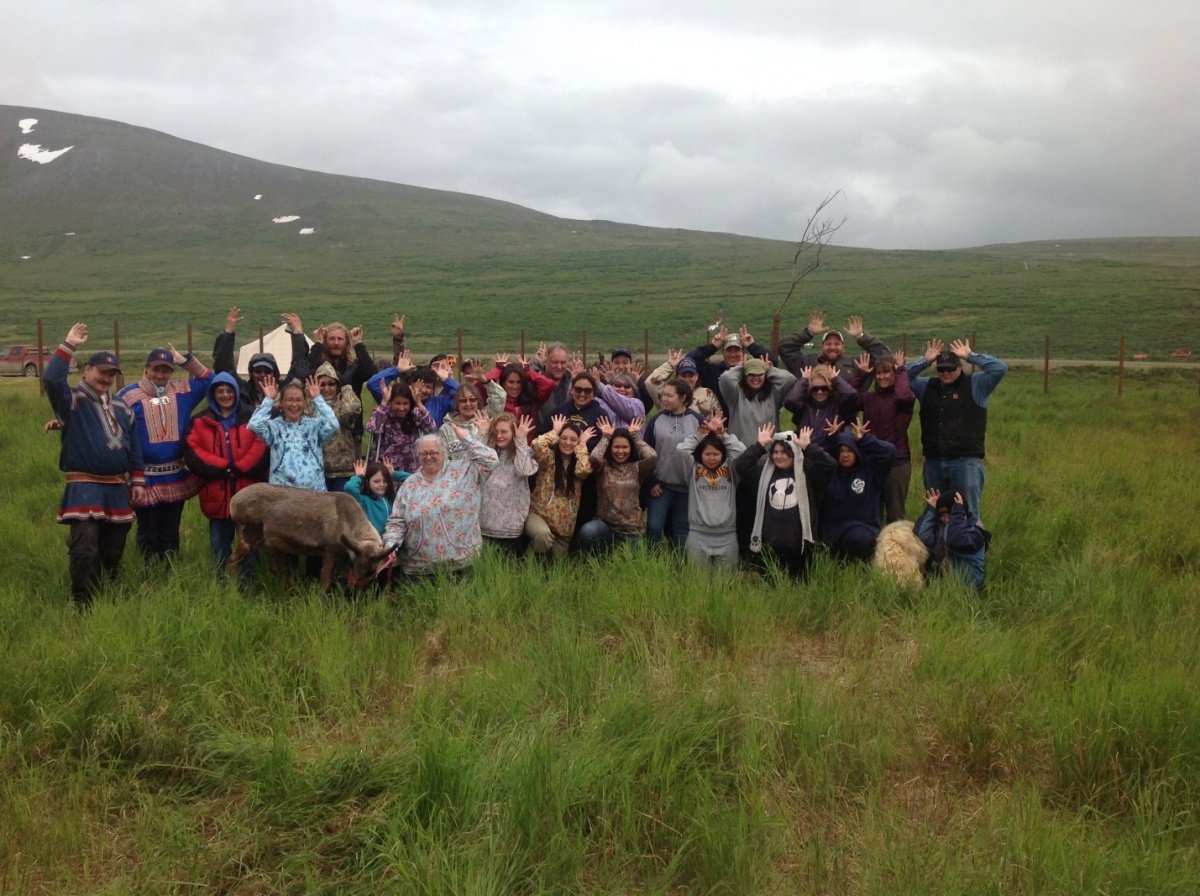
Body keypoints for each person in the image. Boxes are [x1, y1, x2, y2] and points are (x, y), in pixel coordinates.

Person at [43, 323, 145, 606]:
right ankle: (82, 603)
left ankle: (108, 596)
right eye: (102, 372)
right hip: (84, 486)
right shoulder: (72, 401)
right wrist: (69, 344)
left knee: (113, 549)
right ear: (88, 370)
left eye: (112, 374)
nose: (107, 378)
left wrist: (137, 480)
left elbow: (134, 447)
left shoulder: (123, 408)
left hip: (116, 487)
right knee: (85, 547)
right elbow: (52, 380)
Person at [118, 343, 213, 561]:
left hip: (174, 474)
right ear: (146, 369)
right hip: (144, 477)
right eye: (156, 369)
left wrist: (187, 360)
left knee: (171, 528)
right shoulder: (128, 396)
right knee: (147, 529)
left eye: (166, 370)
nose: (160, 375)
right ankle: (147, 573)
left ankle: (170, 569)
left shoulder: (182, 391)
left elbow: (210, 380)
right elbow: (109, 419)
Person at [906, 338, 1008, 519]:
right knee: (935, 513)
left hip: (965, 463)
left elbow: (999, 368)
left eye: (950, 369)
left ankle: (971, 547)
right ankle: (938, 548)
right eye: (940, 369)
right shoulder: (926, 386)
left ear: (960, 367)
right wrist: (925, 360)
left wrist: (971, 356)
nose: (945, 373)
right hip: (934, 463)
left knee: (968, 515)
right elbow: (901, 377)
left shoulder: (976, 385)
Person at [184, 373, 268, 579]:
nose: (225, 395)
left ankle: (249, 584)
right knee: (219, 545)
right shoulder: (199, 421)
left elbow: (262, 444)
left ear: (236, 392)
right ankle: (221, 585)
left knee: (250, 544)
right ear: (212, 394)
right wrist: (224, 468)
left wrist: (240, 467)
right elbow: (193, 451)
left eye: (229, 390)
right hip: (217, 496)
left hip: (248, 494)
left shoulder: (252, 417)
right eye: (220, 391)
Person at [383, 427, 499, 578]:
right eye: (423, 453)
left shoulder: (464, 471)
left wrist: (467, 440)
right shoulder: (410, 484)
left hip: (462, 563)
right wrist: (390, 546)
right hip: (419, 568)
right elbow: (397, 521)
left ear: (443, 453)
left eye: (433, 452)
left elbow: (491, 461)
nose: (428, 457)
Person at [735, 423, 835, 578]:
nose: (778, 456)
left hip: (800, 550)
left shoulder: (809, 476)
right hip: (769, 550)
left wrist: (808, 447)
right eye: (775, 452)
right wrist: (760, 445)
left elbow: (829, 465)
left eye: (784, 452)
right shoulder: (764, 477)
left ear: (794, 453)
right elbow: (742, 465)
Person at [815, 421, 897, 561]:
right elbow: (809, 451)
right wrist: (831, 439)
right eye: (841, 451)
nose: (845, 455)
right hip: (831, 531)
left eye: (850, 451)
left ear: (857, 452)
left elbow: (890, 452)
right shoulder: (827, 471)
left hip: (862, 528)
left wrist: (865, 440)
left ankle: (858, 567)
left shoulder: (871, 471)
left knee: (858, 539)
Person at [850, 352, 916, 523]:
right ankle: (874, 548)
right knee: (871, 510)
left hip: (897, 462)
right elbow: (848, 398)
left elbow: (902, 395)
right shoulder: (870, 399)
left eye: (887, 372)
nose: (881, 377)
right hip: (871, 461)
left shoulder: (905, 399)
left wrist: (902, 370)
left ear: (895, 374)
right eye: (878, 373)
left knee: (895, 513)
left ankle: (898, 548)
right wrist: (862, 374)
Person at [676, 410, 746, 569]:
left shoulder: (732, 469)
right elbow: (681, 451)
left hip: (727, 536)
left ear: (723, 455)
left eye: (716, 454)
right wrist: (700, 435)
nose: (712, 458)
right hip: (698, 534)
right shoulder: (692, 469)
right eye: (708, 454)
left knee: (725, 586)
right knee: (697, 584)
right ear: (701, 454)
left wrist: (723, 435)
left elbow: (741, 452)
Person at [577, 417, 657, 554]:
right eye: (617, 447)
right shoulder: (603, 467)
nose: (620, 451)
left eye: (625, 447)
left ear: (631, 448)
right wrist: (606, 437)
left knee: (631, 566)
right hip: (605, 526)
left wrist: (635, 437)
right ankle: (597, 560)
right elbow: (594, 458)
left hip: (631, 530)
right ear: (610, 447)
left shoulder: (637, 468)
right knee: (587, 531)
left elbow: (652, 457)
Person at [641, 381, 706, 547]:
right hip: (661, 486)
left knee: (682, 529)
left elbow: (707, 453)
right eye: (663, 395)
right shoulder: (656, 420)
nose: (664, 399)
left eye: (669, 395)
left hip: (688, 487)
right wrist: (651, 482)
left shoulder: (697, 420)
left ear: (683, 398)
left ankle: (680, 565)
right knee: (654, 526)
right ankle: (651, 561)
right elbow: (645, 454)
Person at [248, 375, 340, 490]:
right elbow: (254, 425)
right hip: (282, 495)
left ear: (305, 403)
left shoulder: (314, 426)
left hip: (315, 495)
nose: (294, 405)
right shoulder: (274, 427)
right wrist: (269, 400)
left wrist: (317, 398)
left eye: (298, 400)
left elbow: (333, 424)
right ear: (281, 403)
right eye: (289, 400)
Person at [212, 308, 311, 411]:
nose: (263, 375)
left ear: (274, 373)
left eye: (267, 371)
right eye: (258, 371)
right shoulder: (242, 391)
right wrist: (228, 332)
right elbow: (224, 368)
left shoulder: (285, 390)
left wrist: (298, 333)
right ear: (251, 373)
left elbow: (300, 367)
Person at [525, 417, 595, 559]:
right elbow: (538, 444)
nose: (568, 443)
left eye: (573, 440)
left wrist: (582, 445)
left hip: (563, 528)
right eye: (564, 438)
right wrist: (555, 431)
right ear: (558, 439)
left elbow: (584, 471)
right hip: (538, 516)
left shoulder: (578, 463)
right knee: (543, 536)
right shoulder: (548, 459)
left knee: (558, 564)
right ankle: (533, 566)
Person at [479, 413, 538, 553]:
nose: (499, 435)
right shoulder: (488, 452)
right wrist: (482, 434)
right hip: (485, 525)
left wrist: (521, 440)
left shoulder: (523, 452)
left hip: (510, 528)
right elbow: (473, 464)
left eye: (504, 431)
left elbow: (524, 470)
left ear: (513, 432)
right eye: (496, 431)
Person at [685, 325, 775, 417]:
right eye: (729, 350)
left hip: (746, 424)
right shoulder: (712, 371)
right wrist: (712, 347)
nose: (733, 354)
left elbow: (772, 362)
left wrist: (752, 346)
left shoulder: (750, 374)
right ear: (723, 352)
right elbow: (688, 361)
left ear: (743, 352)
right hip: (716, 426)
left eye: (737, 350)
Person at [914, 489, 991, 591]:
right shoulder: (946, 527)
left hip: (968, 588)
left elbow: (955, 541)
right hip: (947, 582)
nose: (946, 519)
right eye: (942, 515)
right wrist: (932, 510)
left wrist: (958, 512)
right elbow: (924, 536)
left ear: (963, 513)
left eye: (950, 515)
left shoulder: (974, 529)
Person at [778, 312, 892, 380]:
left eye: (837, 344)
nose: (832, 347)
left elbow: (886, 356)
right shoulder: (807, 363)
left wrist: (861, 337)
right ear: (821, 347)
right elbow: (785, 348)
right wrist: (808, 333)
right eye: (828, 344)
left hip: (846, 419)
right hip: (811, 419)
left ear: (844, 348)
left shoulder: (858, 364)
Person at [718, 356, 796, 447]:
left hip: (768, 454)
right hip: (741, 454)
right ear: (745, 376)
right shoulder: (735, 394)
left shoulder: (774, 394)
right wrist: (740, 368)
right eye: (751, 374)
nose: (756, 378)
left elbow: (790, 379)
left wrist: (769, 369)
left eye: (759, 374)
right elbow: (725, 378)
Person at [365, 380, 436, 473]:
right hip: (386, 470)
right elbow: (372, 428)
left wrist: (418, 402)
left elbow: (432, 428)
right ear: (391, 402)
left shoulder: (415, 414)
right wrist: (384, 402)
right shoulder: (382, 413)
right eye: (397, 403)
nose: (401, 408)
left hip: (411, 470)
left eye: (405, 403)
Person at [314, 361, 363, 494]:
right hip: (317, 472)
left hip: (343, 472)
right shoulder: (310, 407)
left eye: (331, 384)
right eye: (322, 384)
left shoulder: (342, 404)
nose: (327, 388)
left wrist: (347, 387)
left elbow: (352, 409)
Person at [783, 364, 857, 435]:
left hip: (832, 445)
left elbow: (851, 395)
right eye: (815, 388)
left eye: (824, 388)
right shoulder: (803, 404)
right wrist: (803, 380)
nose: (820, 392)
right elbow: (791, 401)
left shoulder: (838, 403)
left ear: (830, 388)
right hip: (806, 446)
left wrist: (836, 379)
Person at [344, 458, 408, 535]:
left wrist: (394, 474)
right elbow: (349, 487)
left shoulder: (394, 498)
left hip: (393, 540)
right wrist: (360, 476)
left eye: (385, 481)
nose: (382, 484)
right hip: (373, 542)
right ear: (367, 482)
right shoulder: (363, 500)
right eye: (376, 481)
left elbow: (414, 481)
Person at [645, 352, 720, 417]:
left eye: (691, 376)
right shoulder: (668, 395)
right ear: (677, 377)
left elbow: (718, 419)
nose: (687, 380)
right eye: (683, 376)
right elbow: (650, 382)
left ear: (697, 376)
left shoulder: (707, 394)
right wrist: (670, 365)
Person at [437, 380, 505, 448]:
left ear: (478, 401)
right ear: (457, 403)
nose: (468, 404)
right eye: (463, 400)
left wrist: (486, 381)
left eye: (472, 400)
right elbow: (443, 457)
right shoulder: (446, 429)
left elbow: (500, 398)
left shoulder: (486, 418)